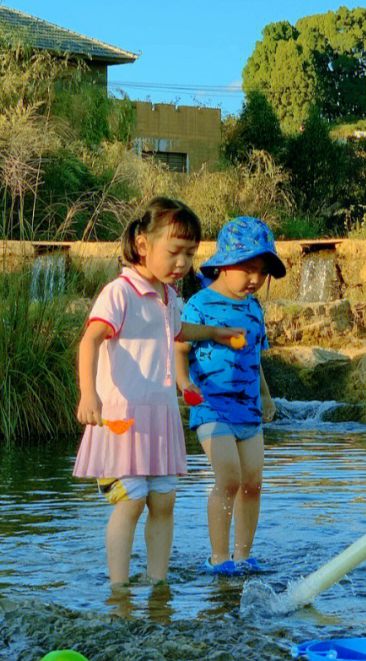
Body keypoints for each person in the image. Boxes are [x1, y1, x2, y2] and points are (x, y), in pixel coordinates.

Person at [75, 197, 241, 591]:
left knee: (163, 502)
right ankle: (119, 591)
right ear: (143, 244)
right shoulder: (120, 292)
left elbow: (179, 331)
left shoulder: (168, 297)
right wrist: (88, 395)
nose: (183, 263)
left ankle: (158, 585)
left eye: (190, 254)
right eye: (174, 251)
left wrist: (216, 333)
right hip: (122, 418)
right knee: (130, 502)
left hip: (160, 418)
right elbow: (91, 339)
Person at [177, 216, 285, 575]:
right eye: (249, 269)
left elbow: (256, 359)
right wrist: (183, 383)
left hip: (248, 412)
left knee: (252, 483)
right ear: (224, 264)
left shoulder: (255, 310)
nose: (255, 279)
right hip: (210, 405)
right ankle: (219, 557)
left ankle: (243, 556)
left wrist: (266, 398)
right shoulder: (199, 304)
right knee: (228, 479)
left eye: (262, 272)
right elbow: (178, 346)